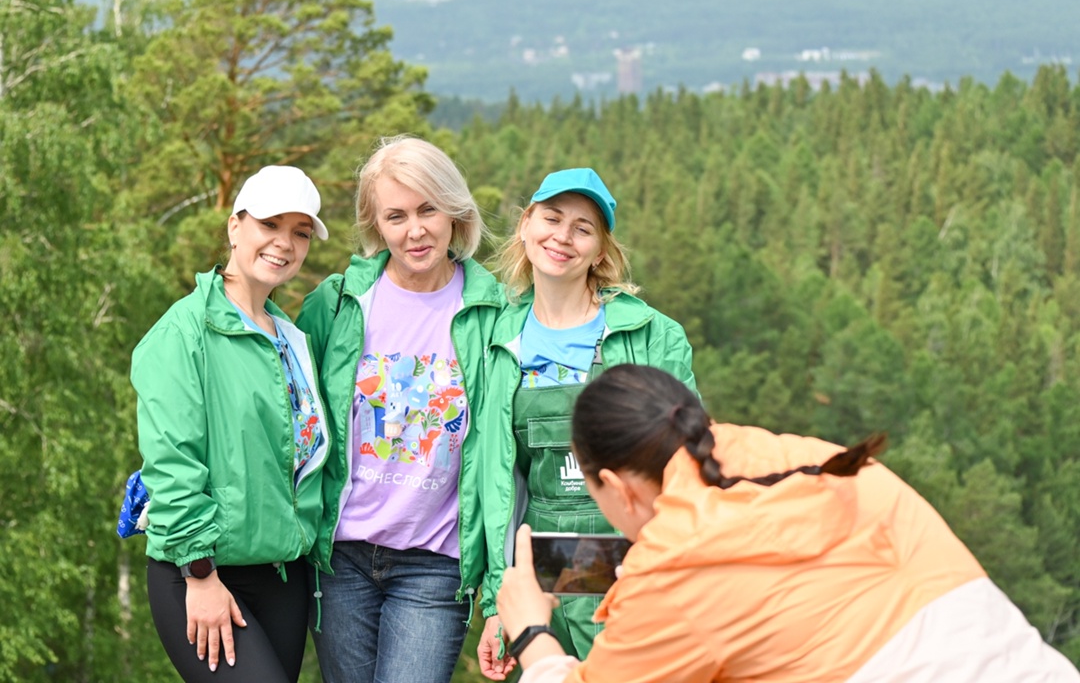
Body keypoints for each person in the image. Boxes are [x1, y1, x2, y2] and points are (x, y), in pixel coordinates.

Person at [496, 363, 1080, 683]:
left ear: (617, 488)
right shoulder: (815, 459)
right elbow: (764, 569)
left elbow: (692, 585)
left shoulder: (673, 575)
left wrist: (531, 633)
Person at [296, 135, 504, 683]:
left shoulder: (493, 314)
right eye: (396, 215)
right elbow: (285, 414)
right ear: (375, 225)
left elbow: (511, 449)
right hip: (340, 560)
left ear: (455, 211)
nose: (415, 230)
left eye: (428, 209)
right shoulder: (336, 305)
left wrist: (504, 584)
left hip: (435, 564)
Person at [476, 168, 696, 680]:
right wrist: (498, 605)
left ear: (600, 250)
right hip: (542, 573)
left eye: (583, 228)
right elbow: (498, 480)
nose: (562, 237)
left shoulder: (652, 335)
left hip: (632, 566)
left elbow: (687, 464)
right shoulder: (494, 341)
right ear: (526, 226)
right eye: (551, 219)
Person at [133, 165, 331, 682]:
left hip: (283, 577)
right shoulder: (183, 334)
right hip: (201, 573)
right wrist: (199, 572)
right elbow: (173, 464)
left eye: (301, 232)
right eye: (270, 224)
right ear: (234, 227)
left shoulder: (290, 335)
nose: (284, 243)